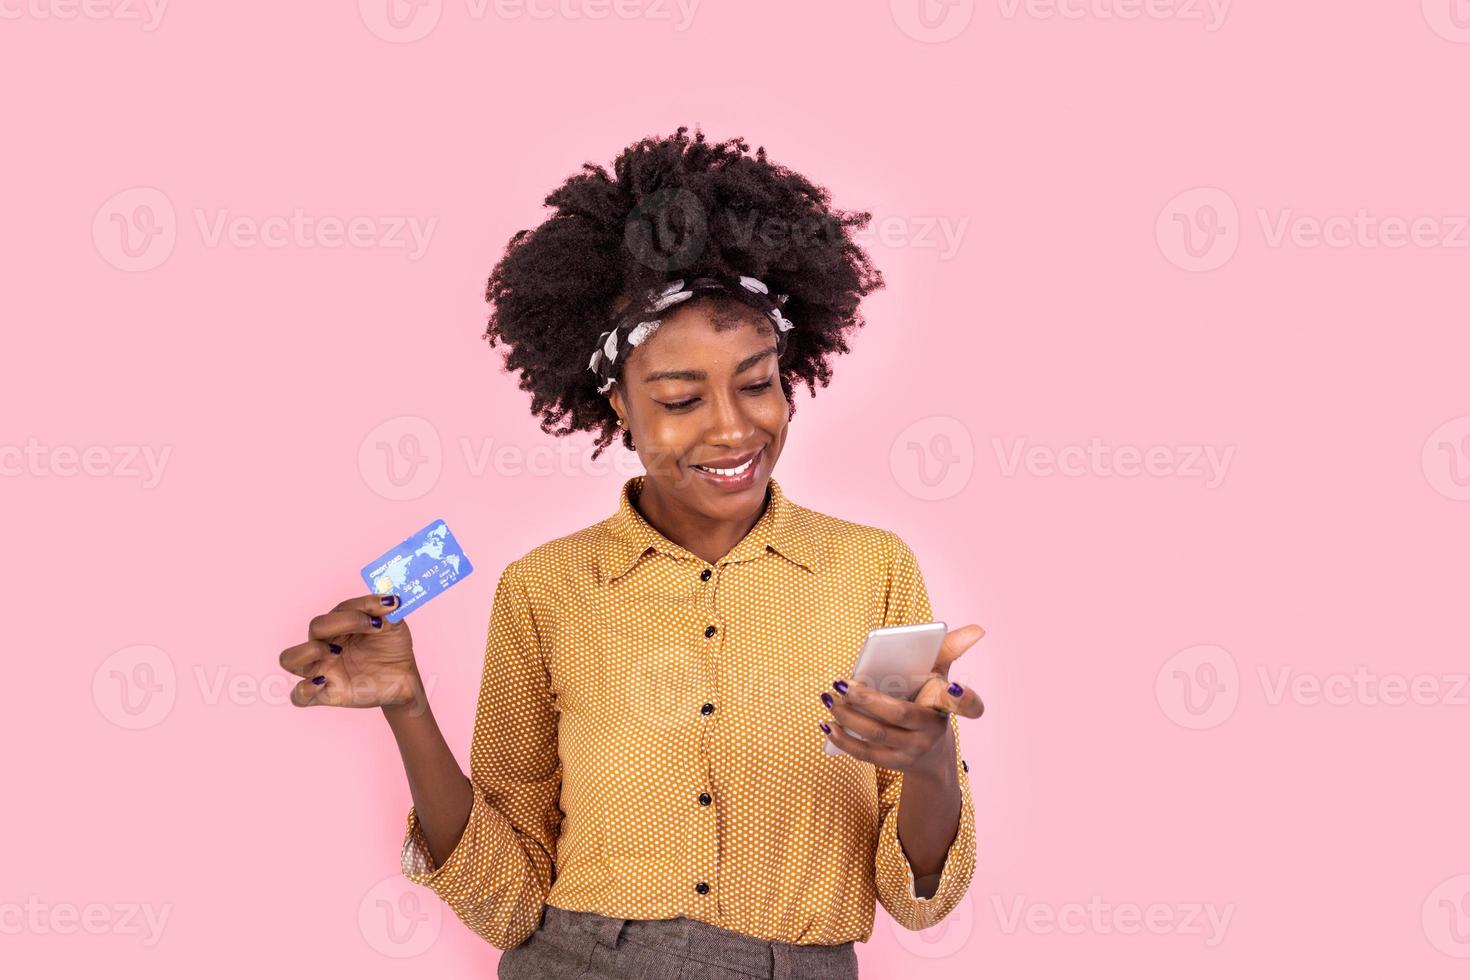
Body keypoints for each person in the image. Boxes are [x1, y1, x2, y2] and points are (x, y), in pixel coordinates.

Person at [279, 127, 986, 979]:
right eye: (681, 397)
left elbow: (915, 892)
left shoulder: (871, 571)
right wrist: (407, 705)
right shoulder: (545, 588)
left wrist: (932, 763)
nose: (733, 427)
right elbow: (507, 898)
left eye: (758, 382)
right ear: (618, 405)